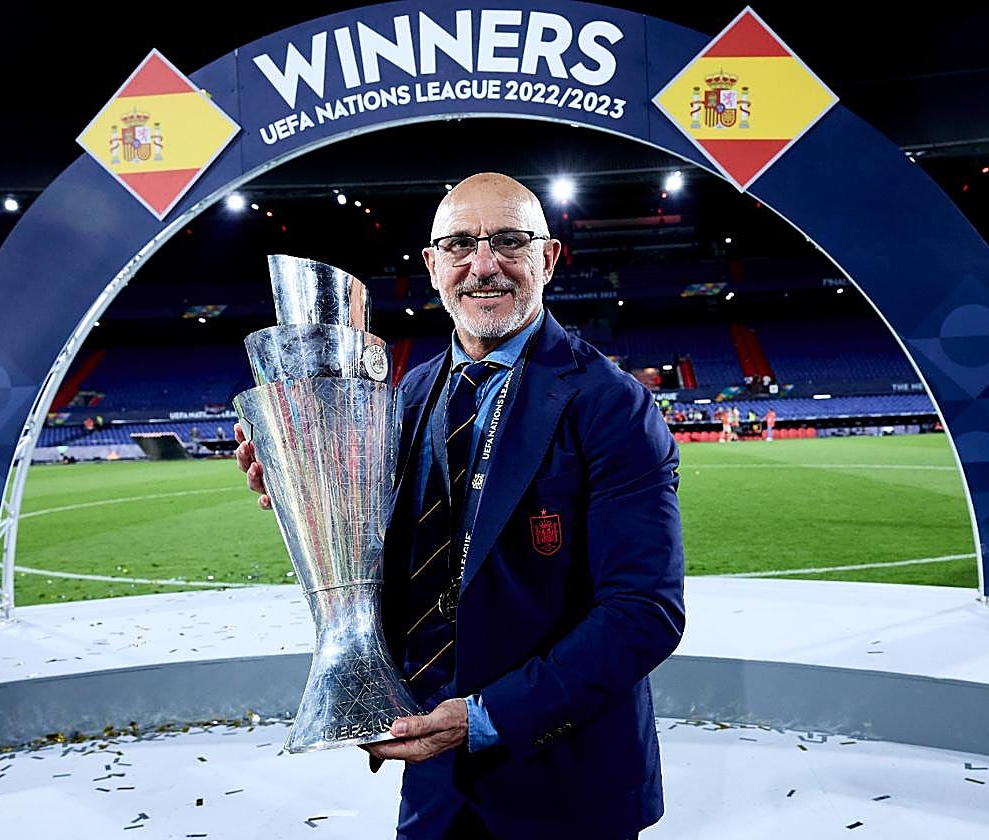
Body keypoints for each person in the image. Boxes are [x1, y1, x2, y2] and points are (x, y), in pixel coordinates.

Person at [235, 173, 684, 839]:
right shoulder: (407, 397)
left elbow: (645, 612)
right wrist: (309, 495)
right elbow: (389, 560)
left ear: (549, 259)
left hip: (566, 785)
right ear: (431, 264)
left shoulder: (611, 404)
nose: (483, 266)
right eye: (459, 245)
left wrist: (481, 718)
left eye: (509, 241)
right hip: (435, 790)